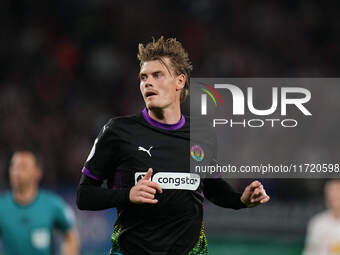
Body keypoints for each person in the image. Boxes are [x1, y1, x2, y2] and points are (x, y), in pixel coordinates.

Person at [77, 36, 270, 255]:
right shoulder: (118, 131)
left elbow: (213, 188)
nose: (147, 82)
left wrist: (240, 200)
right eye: (143, 77)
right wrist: (127, 194)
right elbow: (84, 195)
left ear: (180, 81)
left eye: (157, 75)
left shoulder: (202, 134)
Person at [0, 151, 79, 255]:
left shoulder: (52, 205)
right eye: (13, 166)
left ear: (37, 173)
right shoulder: (2, 206)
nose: (16, 171)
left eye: (23, 167)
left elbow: (70, 235)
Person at [303, 180, 340, 255]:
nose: (333, 196)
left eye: (337, 192)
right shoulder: (317, 222)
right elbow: (309, 251)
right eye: (330, 193)